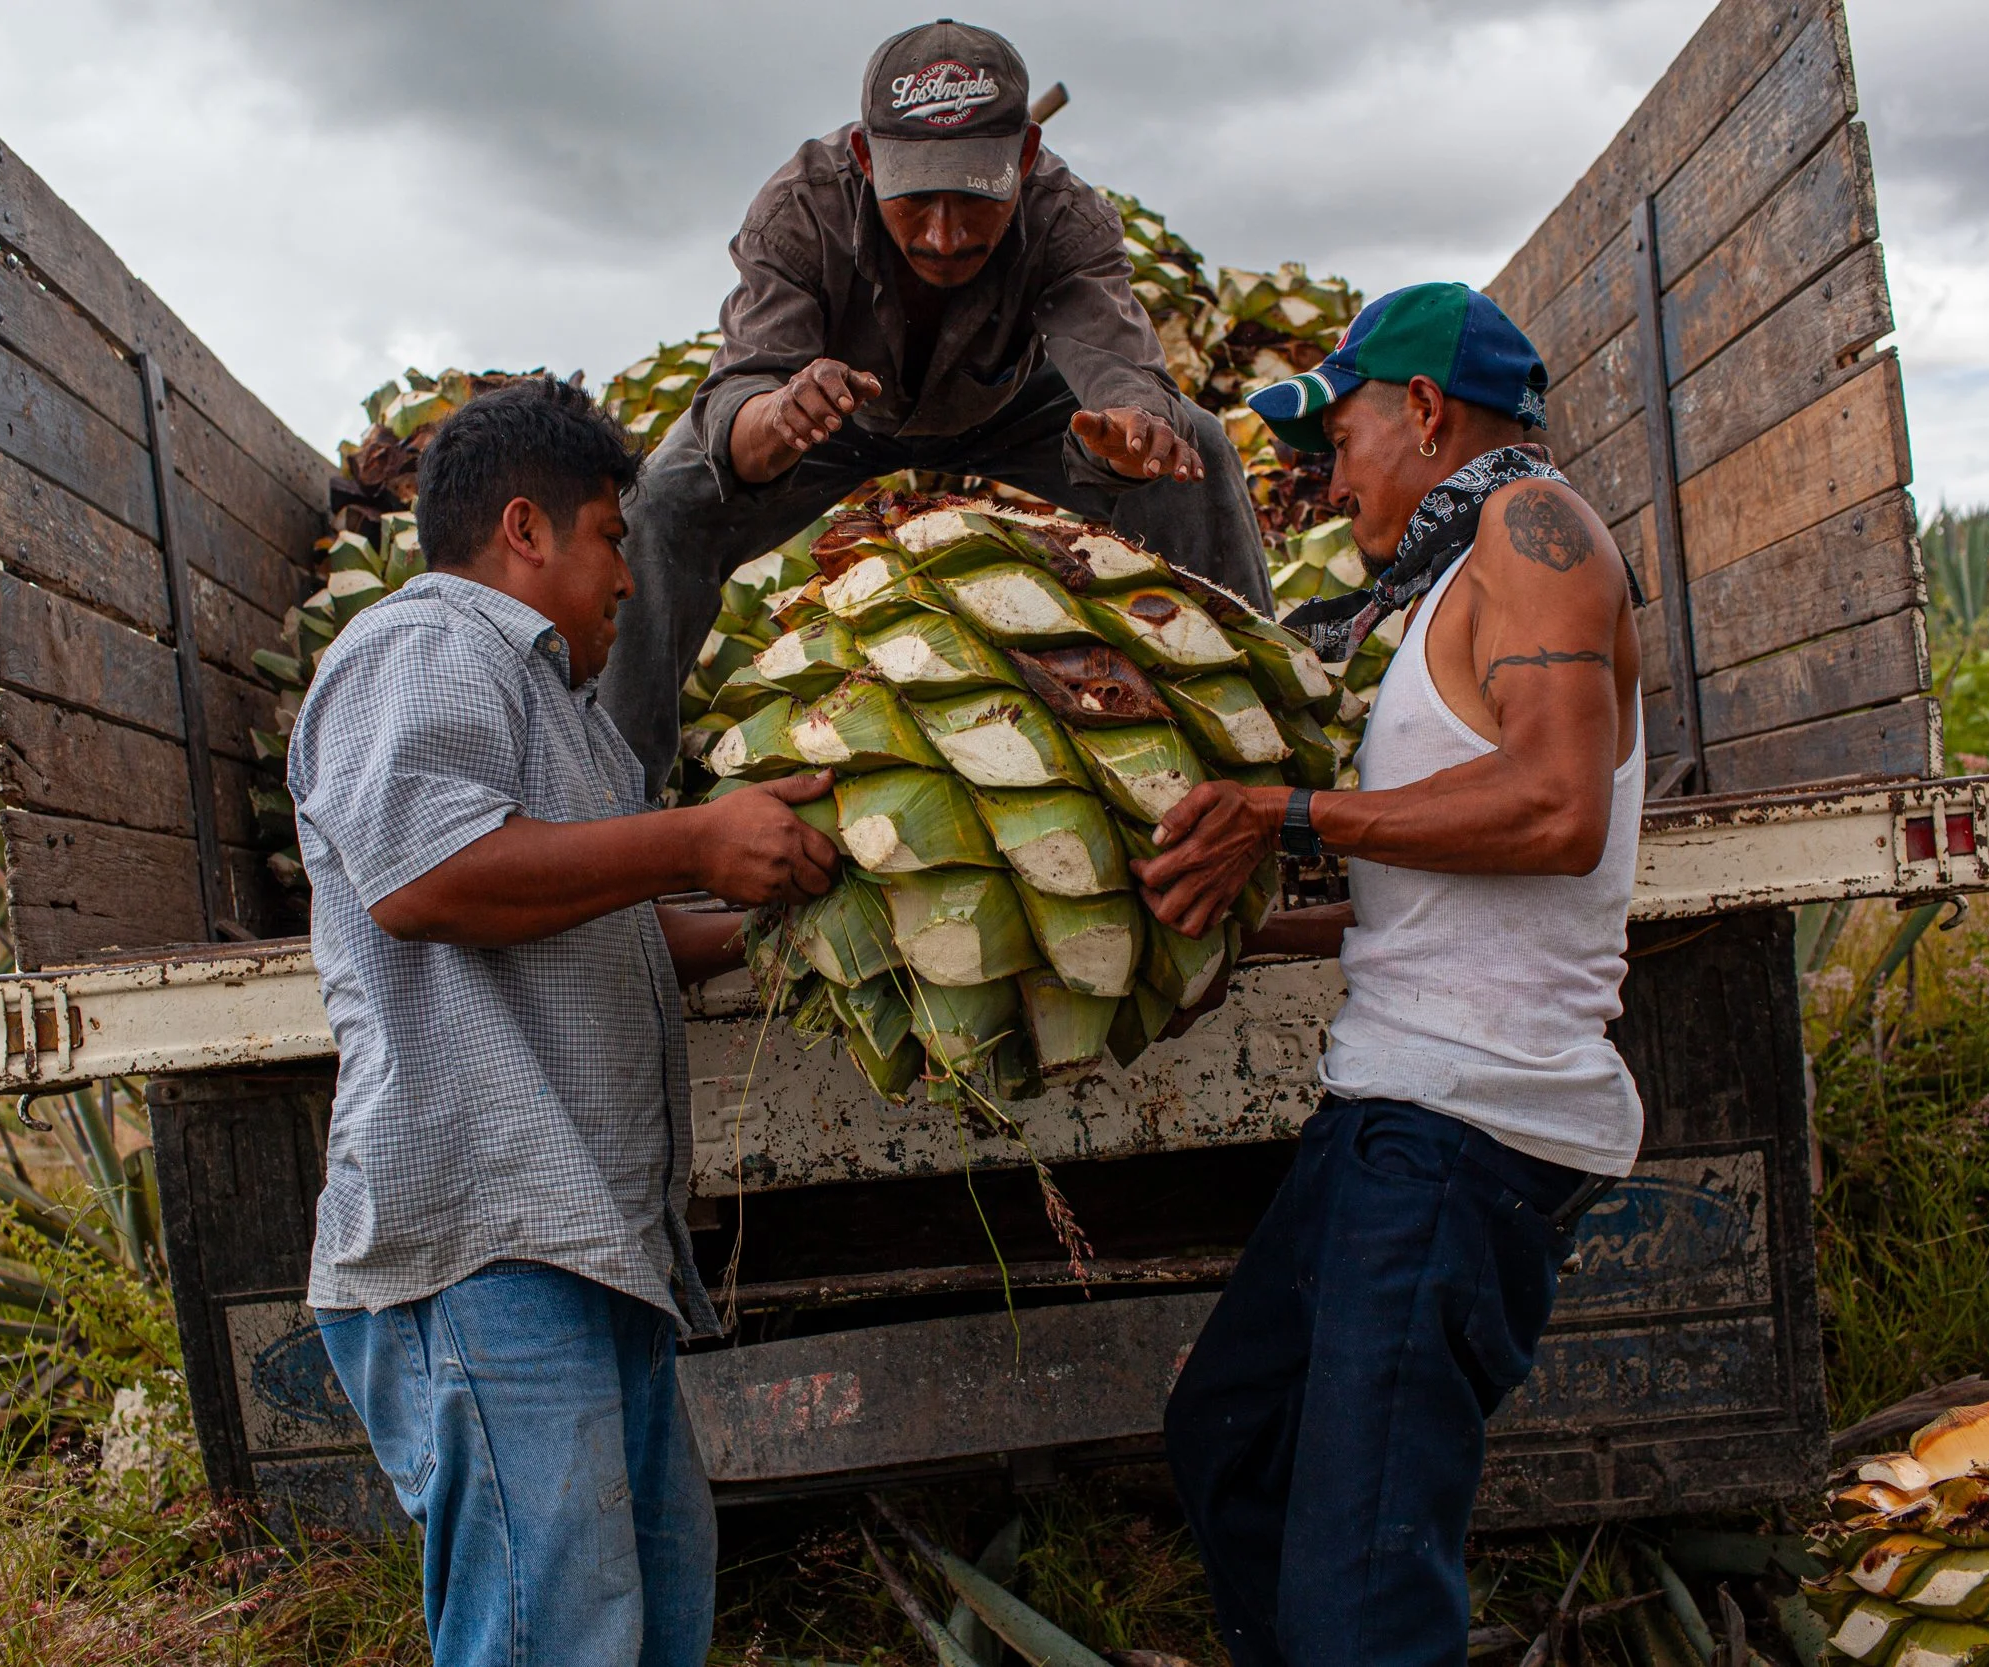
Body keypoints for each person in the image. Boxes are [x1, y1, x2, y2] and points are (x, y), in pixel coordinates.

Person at [286, 378, 843, 1667]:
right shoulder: (427, 644)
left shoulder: (567, 721)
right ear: (525, 529)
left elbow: (608, 923)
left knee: (644, 1620)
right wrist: (695, 834)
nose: (630, 580)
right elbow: (429, 878)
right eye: (610, 535)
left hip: (585, 1244)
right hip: (486, 1248)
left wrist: (769, 925)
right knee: (558, 1638)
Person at [1137, 284, 1646, 1667]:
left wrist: (1292, 817)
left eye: (1344, 427)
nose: (1328, 465)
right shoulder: (1440, 585)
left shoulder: (1539, 534)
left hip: (1466, 1123)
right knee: (1231, 1438)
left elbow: (1556, 808)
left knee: (1363, 1596)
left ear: (1424, 409)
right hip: (1390, 1108)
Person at [602, 18, 1274, 796]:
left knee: (1195, 451)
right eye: (915, 201)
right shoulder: (799, 211)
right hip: (830, 412)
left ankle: (1254, 767)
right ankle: (618, 803)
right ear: (864, 158)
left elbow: (1120, 372)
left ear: (1024, 158)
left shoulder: (1066, 216)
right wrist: (781, 416)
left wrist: (1127, 433)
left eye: (978, 199)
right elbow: (741, 412)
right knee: (659, 506)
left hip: (1016, 406)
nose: (945, 236)